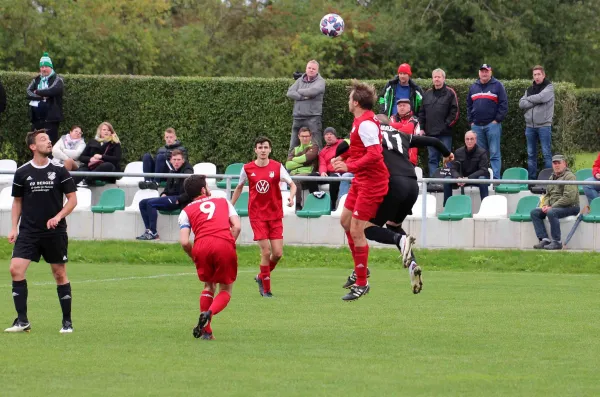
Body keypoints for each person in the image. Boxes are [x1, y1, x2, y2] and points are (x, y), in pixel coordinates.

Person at [339, 114, 454, 295]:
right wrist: (447, 154)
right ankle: (412, 265)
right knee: (394, 226)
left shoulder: (370, 132)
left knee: (364, 228)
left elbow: (344, 144)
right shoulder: (402, 135)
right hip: (411, 185)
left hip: (390, 184)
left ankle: (398, 241)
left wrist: (337, 156)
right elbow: (432, 140)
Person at [5, 129, 77, 334]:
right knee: (15, 269)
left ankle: (67, 322)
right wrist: (13, 228)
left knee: (59, 273)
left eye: (48, 139)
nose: (48, 142)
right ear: (33, 147)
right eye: (43, 140)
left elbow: (72, 200)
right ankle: (22, 321)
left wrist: (58, 217)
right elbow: (17, 202)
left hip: (54, 233)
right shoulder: (22, 172)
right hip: (28, 231)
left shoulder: (60, 170)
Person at [331, 80, 389, 302]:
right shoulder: (360, 121)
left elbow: (375, 154)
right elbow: (359, 149)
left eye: (349, 98)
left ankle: (362, 283)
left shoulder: (365, 124)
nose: (348, 101)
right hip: (361, 180)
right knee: (345, 222)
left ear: (356, 102)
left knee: (357, 230)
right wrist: (343, 157)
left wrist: (349, 166)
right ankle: (360, 268)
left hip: (372, 183)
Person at [232, 136, 296, 297]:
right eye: (260, 147)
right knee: (266, 252)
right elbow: (239, 187)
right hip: (257, 215)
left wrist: (291, 197)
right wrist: (229, 205)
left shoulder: (277, 166)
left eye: (265, 147)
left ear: (270, 150)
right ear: (255, 150)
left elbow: (292, 184)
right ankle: (266, 290)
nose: (263, 150)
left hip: (274, 215)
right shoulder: (247, 168)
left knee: (278, 253)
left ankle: (261, 276)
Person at [178, 175, 241, 340]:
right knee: (226, 289)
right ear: (203, 190)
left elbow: (184, 242)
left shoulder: (185, 211)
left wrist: (194, 256)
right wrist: (227, 243)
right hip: (223, 243)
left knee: (208, 286)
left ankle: (207, 331)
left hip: (201, 247)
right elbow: (237, 226)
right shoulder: (222, 201)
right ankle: (209, 313)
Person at [137, 150, 193, 241]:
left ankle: (154, 233)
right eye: (174, 159)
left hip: (178, 200)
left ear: (183, 160)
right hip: (169, 198)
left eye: (178, 160)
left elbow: (190, 191)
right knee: (142, 203)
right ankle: (148, 231)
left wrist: (179, 199)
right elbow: (166, 189)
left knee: (150, 203)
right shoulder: (171, 170)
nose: (176, 162)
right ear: (170, 160)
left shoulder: (188, 171)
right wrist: (163, 194)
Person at [466, 64, 508, 179]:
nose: (484, 73)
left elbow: (503, 104)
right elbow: (469, 105)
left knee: (494, 153)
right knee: (480, 155)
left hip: (492, 125)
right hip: (477, 126)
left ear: (490, 72)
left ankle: (495, 179)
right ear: (479, 73)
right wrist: (471, 121)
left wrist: (497, 120)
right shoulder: (473, 87)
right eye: (482, 71)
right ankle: (482, 178)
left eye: (486, 71)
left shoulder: (498, 85)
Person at [531, 155, 579, 250]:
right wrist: (546, 205)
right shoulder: (552, 177)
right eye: (554, 163)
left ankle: (557, 242)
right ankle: (544, 239)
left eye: (559, 163)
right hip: (554, 206)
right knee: (535, 212)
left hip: (571, 206)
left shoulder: (570, 177)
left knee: (551, 212)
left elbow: (568, 198)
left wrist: (551, 207)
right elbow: (548, 194)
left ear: (565, 163)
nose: (556, 165)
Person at [418, 68, 460, 175]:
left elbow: (455, 112)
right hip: (430, 134)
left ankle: (447, 182)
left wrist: (446, 125)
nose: (436, 79)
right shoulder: (427, 94)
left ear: (443, 78)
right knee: (432, 159)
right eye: (435, 77)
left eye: (439, 77)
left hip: (445, 133)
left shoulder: (450, 93)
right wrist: (422, 128)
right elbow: (422, 112)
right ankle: (433, 183)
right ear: (432, 79)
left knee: (447, 158)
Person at [519, 65, 555, 180]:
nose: (537, 77)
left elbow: (543, 98)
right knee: (530, 155)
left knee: (546, 154)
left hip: (544, 125)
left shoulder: (549, 87)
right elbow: (521, 104)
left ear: (543, 75)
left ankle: (549, 181)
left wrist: (529, 99)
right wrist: (536, 100)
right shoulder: (529, 90)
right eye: (535, 75)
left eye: (539, 74)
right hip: (530, 126)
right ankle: (532, 181)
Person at [286, 60, 326, 150]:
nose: (311, 70)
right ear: (306, 69)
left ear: (317, 71)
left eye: (313, 69)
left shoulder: (321, 81)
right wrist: (302, 97)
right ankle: (290, 163)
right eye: (309, 68)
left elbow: (313, 91)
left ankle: (318, 164)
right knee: (293, 145)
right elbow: (289, 92)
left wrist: (299, 91)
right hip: (298, 117)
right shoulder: (300, 80)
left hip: (313, 117)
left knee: (316, 145)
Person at [443, 131, 489, 206]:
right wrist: (458, 177)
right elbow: (453, 168)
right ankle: (447, 207)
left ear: (475, 140)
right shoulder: (458, 152)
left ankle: (485, 207)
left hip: (475, 179)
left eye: (471, 139)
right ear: (464, 140)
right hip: (460, 179)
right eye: (467, 139)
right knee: (447, 179)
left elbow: (483, 170)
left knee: (483, 179)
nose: (469, 141)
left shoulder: (482, 152)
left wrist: (468, 178)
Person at [26, 52, 64, 144]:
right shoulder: (36, 79)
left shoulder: (58, 79)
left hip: (51, 118)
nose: (43, 69)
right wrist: (41, 97)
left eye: (46, 67)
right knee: (35, 143)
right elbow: (28, 92)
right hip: (36, 119)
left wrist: (38, 91)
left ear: (51, 67)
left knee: (49, 143)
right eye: (42, 67)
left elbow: (52, 91)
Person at [75, 122, 122, 187]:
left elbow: (117, 159)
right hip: (91, 166)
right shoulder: (92, 141)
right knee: (81, 171)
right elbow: (82, 157)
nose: (106, 132)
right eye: (104, 130)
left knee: (108, 165)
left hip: (107, 170)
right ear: (100, 131)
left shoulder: (115, 143)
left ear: (111, 132)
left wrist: (102, 157)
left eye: (109, 130)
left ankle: (86, 180)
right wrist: (90, 159)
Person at [285, 127, 319, 210]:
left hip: (307, 173)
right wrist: (303, 162)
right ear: (298, 136)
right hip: (294, 173)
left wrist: (294, 159)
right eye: (303, 136)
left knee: (296, 179)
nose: (305, 138)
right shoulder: (295, 149)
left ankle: (297, 205)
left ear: (310, 137)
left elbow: (306, 158)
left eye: (307, 136)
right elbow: (288, 165)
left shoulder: (314, 147)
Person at [318, 127, 346, 209]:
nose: (329, 136)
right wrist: (322, 172)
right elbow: (322, 164)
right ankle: (318, 201)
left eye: (331, 134)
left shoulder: (342, 143)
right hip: (328, 173)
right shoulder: (323, 151)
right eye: (326, 134)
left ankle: (332, 204)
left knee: (334, 179)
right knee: (311, 177)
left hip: (340, 171)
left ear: (335, 136)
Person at [389, 98, 423, 166]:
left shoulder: (414, 119)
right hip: (395, 156)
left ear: (409, 107)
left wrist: (397, 127)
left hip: (410, 157)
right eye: (399, 106)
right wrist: (403, 125)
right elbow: (390, 130)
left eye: (404, 105)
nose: (401, 108)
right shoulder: (392, 118)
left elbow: (408, 130)